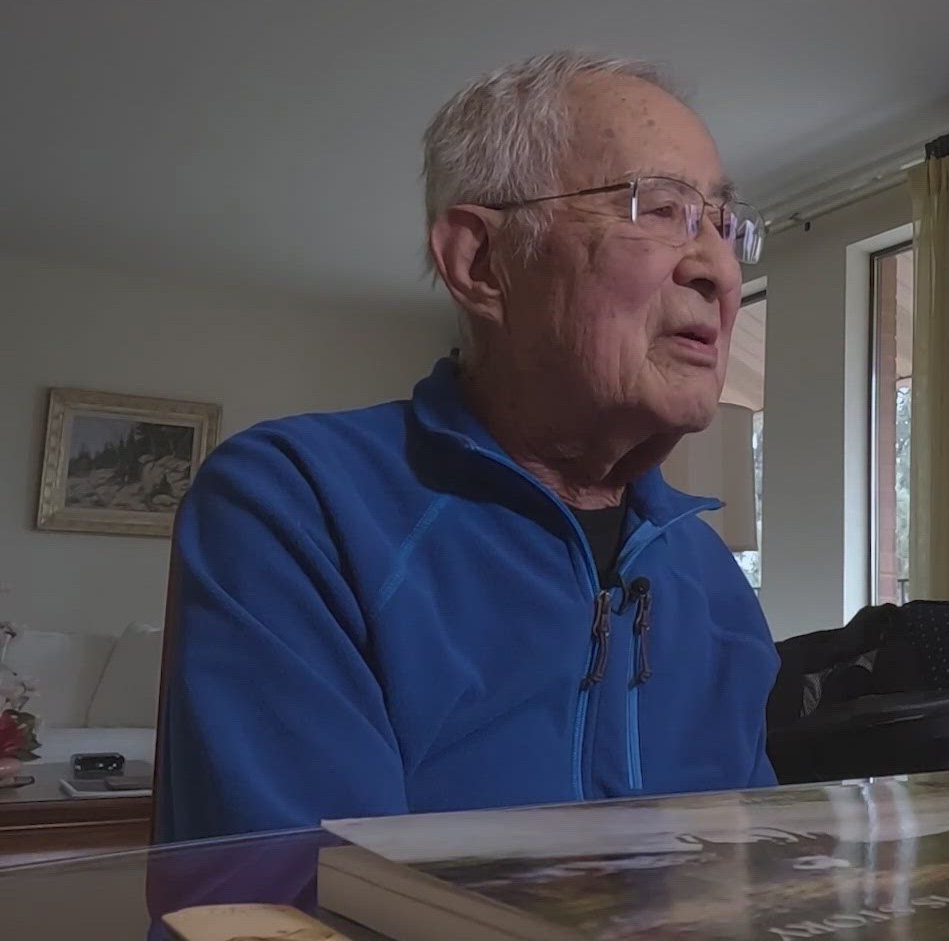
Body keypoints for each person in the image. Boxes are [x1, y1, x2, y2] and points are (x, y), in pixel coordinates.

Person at [157, 51, 775, 840]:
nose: (721, 270)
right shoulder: (295, 504)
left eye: (725, 226)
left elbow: (755, 876)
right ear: (481, 263)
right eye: (660, 210)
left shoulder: (712, 578)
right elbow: (288, 902)